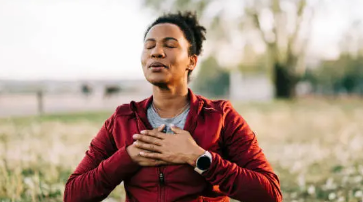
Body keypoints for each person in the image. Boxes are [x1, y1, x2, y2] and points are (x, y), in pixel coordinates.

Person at [64, 11, 282, 202]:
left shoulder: (220, 117)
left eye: (169, 45)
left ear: (192, 61)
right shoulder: (122, 120)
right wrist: (127, 157)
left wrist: (198, 157)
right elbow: (73, 194)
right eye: (149, 46)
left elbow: (269, 193)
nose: (156, 52)